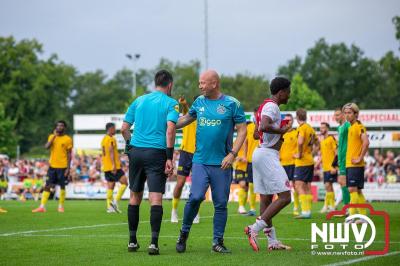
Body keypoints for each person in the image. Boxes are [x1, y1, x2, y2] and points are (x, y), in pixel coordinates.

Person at [175, 70, 247, 254]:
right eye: (199, 83)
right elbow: (185, 119)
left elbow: (242, 130)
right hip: (200, 160)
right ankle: (183, 233)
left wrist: (232, 154)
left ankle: (217, 242)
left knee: (221, 203)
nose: (200, 86)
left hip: (222, 163)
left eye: (203, 83)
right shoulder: (199, 102)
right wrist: (168, 124)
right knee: (196, 197)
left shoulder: (232, 104)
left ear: (214, 84)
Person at [121, 70, 179, 255]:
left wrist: (130, 147)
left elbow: (124, 129)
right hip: (157, 153)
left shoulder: (139, 100)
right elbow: (170, 131)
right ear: (169, 85)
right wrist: (169, 157)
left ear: (156, 83)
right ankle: (153, 243)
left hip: (136, 152)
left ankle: (132, 241)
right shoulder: (171, 103)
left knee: (134, 197)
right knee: (155, 199)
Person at [244, 77, 292, 252]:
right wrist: (282, 130)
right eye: (288, 91)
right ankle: (253, 229)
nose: (289, 95)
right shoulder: (272, 107)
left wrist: (277, 132)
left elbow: (257, 133)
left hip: (260, 152)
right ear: (281, 92)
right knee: (286, 197)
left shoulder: (265, 105)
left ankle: (272, 242)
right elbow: (263, 126)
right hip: (267, 155)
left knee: (266, 199)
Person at [32, 120, 72, 213]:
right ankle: (42, 207)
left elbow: (69, 154)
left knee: (62, 187)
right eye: (58, 126)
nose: (59, 127)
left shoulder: (68, 139)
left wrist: (68, 168)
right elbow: (46, 147)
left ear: (64, 128)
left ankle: (61, 206)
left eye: (61, 126)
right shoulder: (51, 136)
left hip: (63, 167)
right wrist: (54, 136)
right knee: (47, 186)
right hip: (52, 167)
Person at [171, 95, 200, 224]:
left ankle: (195, 213)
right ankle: (174, 211)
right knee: (180, 183)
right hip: (185, 152)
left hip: (199, 153)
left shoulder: (207, 115)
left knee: (197, 186)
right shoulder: (190, 112)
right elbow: (186, 111)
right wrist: (184, 104)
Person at [343, 103, 369, 223]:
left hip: (355, 164)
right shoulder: (350, 126)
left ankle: (352, 217)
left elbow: (366, 142)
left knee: (352, 190)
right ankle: (363, 218)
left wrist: (360, 157)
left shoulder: (359, 126)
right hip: (350, 164)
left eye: (349, 113)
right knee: (357, 191)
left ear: (355, 114)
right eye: (345, 113)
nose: (347, 115)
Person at [293, 108, 317, 219]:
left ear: (297, 117)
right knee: (307, 186)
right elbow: (318, 143)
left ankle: (305, 211)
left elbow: (300, 141)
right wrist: (311, 152)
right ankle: (308, 211)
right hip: (310, 160)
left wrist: (300, 154)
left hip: (302, 162)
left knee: (298, 185)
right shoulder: (310, 128)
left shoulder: (301, 128)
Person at [101, 122, 128, 213]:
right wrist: (114, 165)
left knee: (110, 187)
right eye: (114, 128)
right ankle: (115, 202)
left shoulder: (104, 139)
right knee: (125, 183)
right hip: (114, 166)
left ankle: (110, 207)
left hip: (106, 167)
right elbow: (111, 151)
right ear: (110, 129)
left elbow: (105, 153)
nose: (115, 130)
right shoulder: (111, 139)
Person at [279, 113, 299, 215]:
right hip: (281, 163)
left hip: (293, 163)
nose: (288, 122)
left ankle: (296, 207)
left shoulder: (296, 133)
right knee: (281, 187)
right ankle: (279, 206)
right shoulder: (280, 134)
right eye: (286, 120)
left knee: (295, 185)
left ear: (293, 121)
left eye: (289, 120)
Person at [244, 108, 260, 216]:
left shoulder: (264, 126)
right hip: (251, 160)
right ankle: (253, 209)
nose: (255, 115)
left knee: (265, 184)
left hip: (262, 160)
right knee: (251, 184)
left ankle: (267, 207)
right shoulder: (249, 127)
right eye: (254, 114)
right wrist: (245, 156)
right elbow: (245, 142)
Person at [334, 108, 351, 210]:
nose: (336, 117)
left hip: (347, 158)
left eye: (338, 115)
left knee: (344, 182)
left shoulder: (347, 125)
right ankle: (348, 207)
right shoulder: (339, 127)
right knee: (342, 183)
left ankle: (348, 208)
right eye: (335, 115)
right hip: (341, 159)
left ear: (343, 115)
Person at [319, 122, 338, 213]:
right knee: (328, 187)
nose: (321, 129)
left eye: (323, 127)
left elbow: (336, 153)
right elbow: (323, 155)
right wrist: (318, 163)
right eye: (320, 127)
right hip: (325, 167)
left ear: (327, 128)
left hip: (331, 167)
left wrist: (334, 166)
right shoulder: (322, 141)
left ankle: (330, 206)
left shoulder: (331, 138)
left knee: (328, 186)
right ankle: (329, 206)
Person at [234, 138, 248, 214]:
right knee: (242, 185)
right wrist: (238, 158)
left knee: (246, 188)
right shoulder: (236, 141)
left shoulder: (249, 139)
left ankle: (242, 206)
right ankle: (241, 206)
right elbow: (231, 154)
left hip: (248, 166)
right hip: (239, 167)